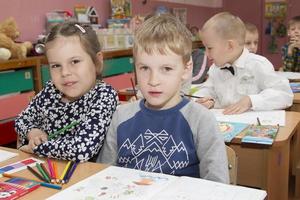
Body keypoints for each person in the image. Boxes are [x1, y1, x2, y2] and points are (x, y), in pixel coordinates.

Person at [97, 14, 229, 183]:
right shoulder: (120, 117)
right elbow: (104, 177)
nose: (153, 81)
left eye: (166, 68)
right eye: (144, 68)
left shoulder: (201, 120)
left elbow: (218, 186)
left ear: (186, 69)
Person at [15, 22, 118, 162]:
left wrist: (36, 148)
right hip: (48, 171)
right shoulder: (51, 91)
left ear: (97, 61)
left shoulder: (104, 95)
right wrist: (32, 132)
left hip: (84, 177)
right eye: (56, 65)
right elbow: (21, 120)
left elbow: (81, 150)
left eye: (74, 61)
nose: (65, 72)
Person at [194, 12, 293, 115]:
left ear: (230, 46)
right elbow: (208, 90)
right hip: (224, 123)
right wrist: (206, 100)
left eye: (209, 48)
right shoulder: (215, 69)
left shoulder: (258, 64)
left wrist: (251, 101)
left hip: (254, 126)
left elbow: (284, 94)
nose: (206, 54)